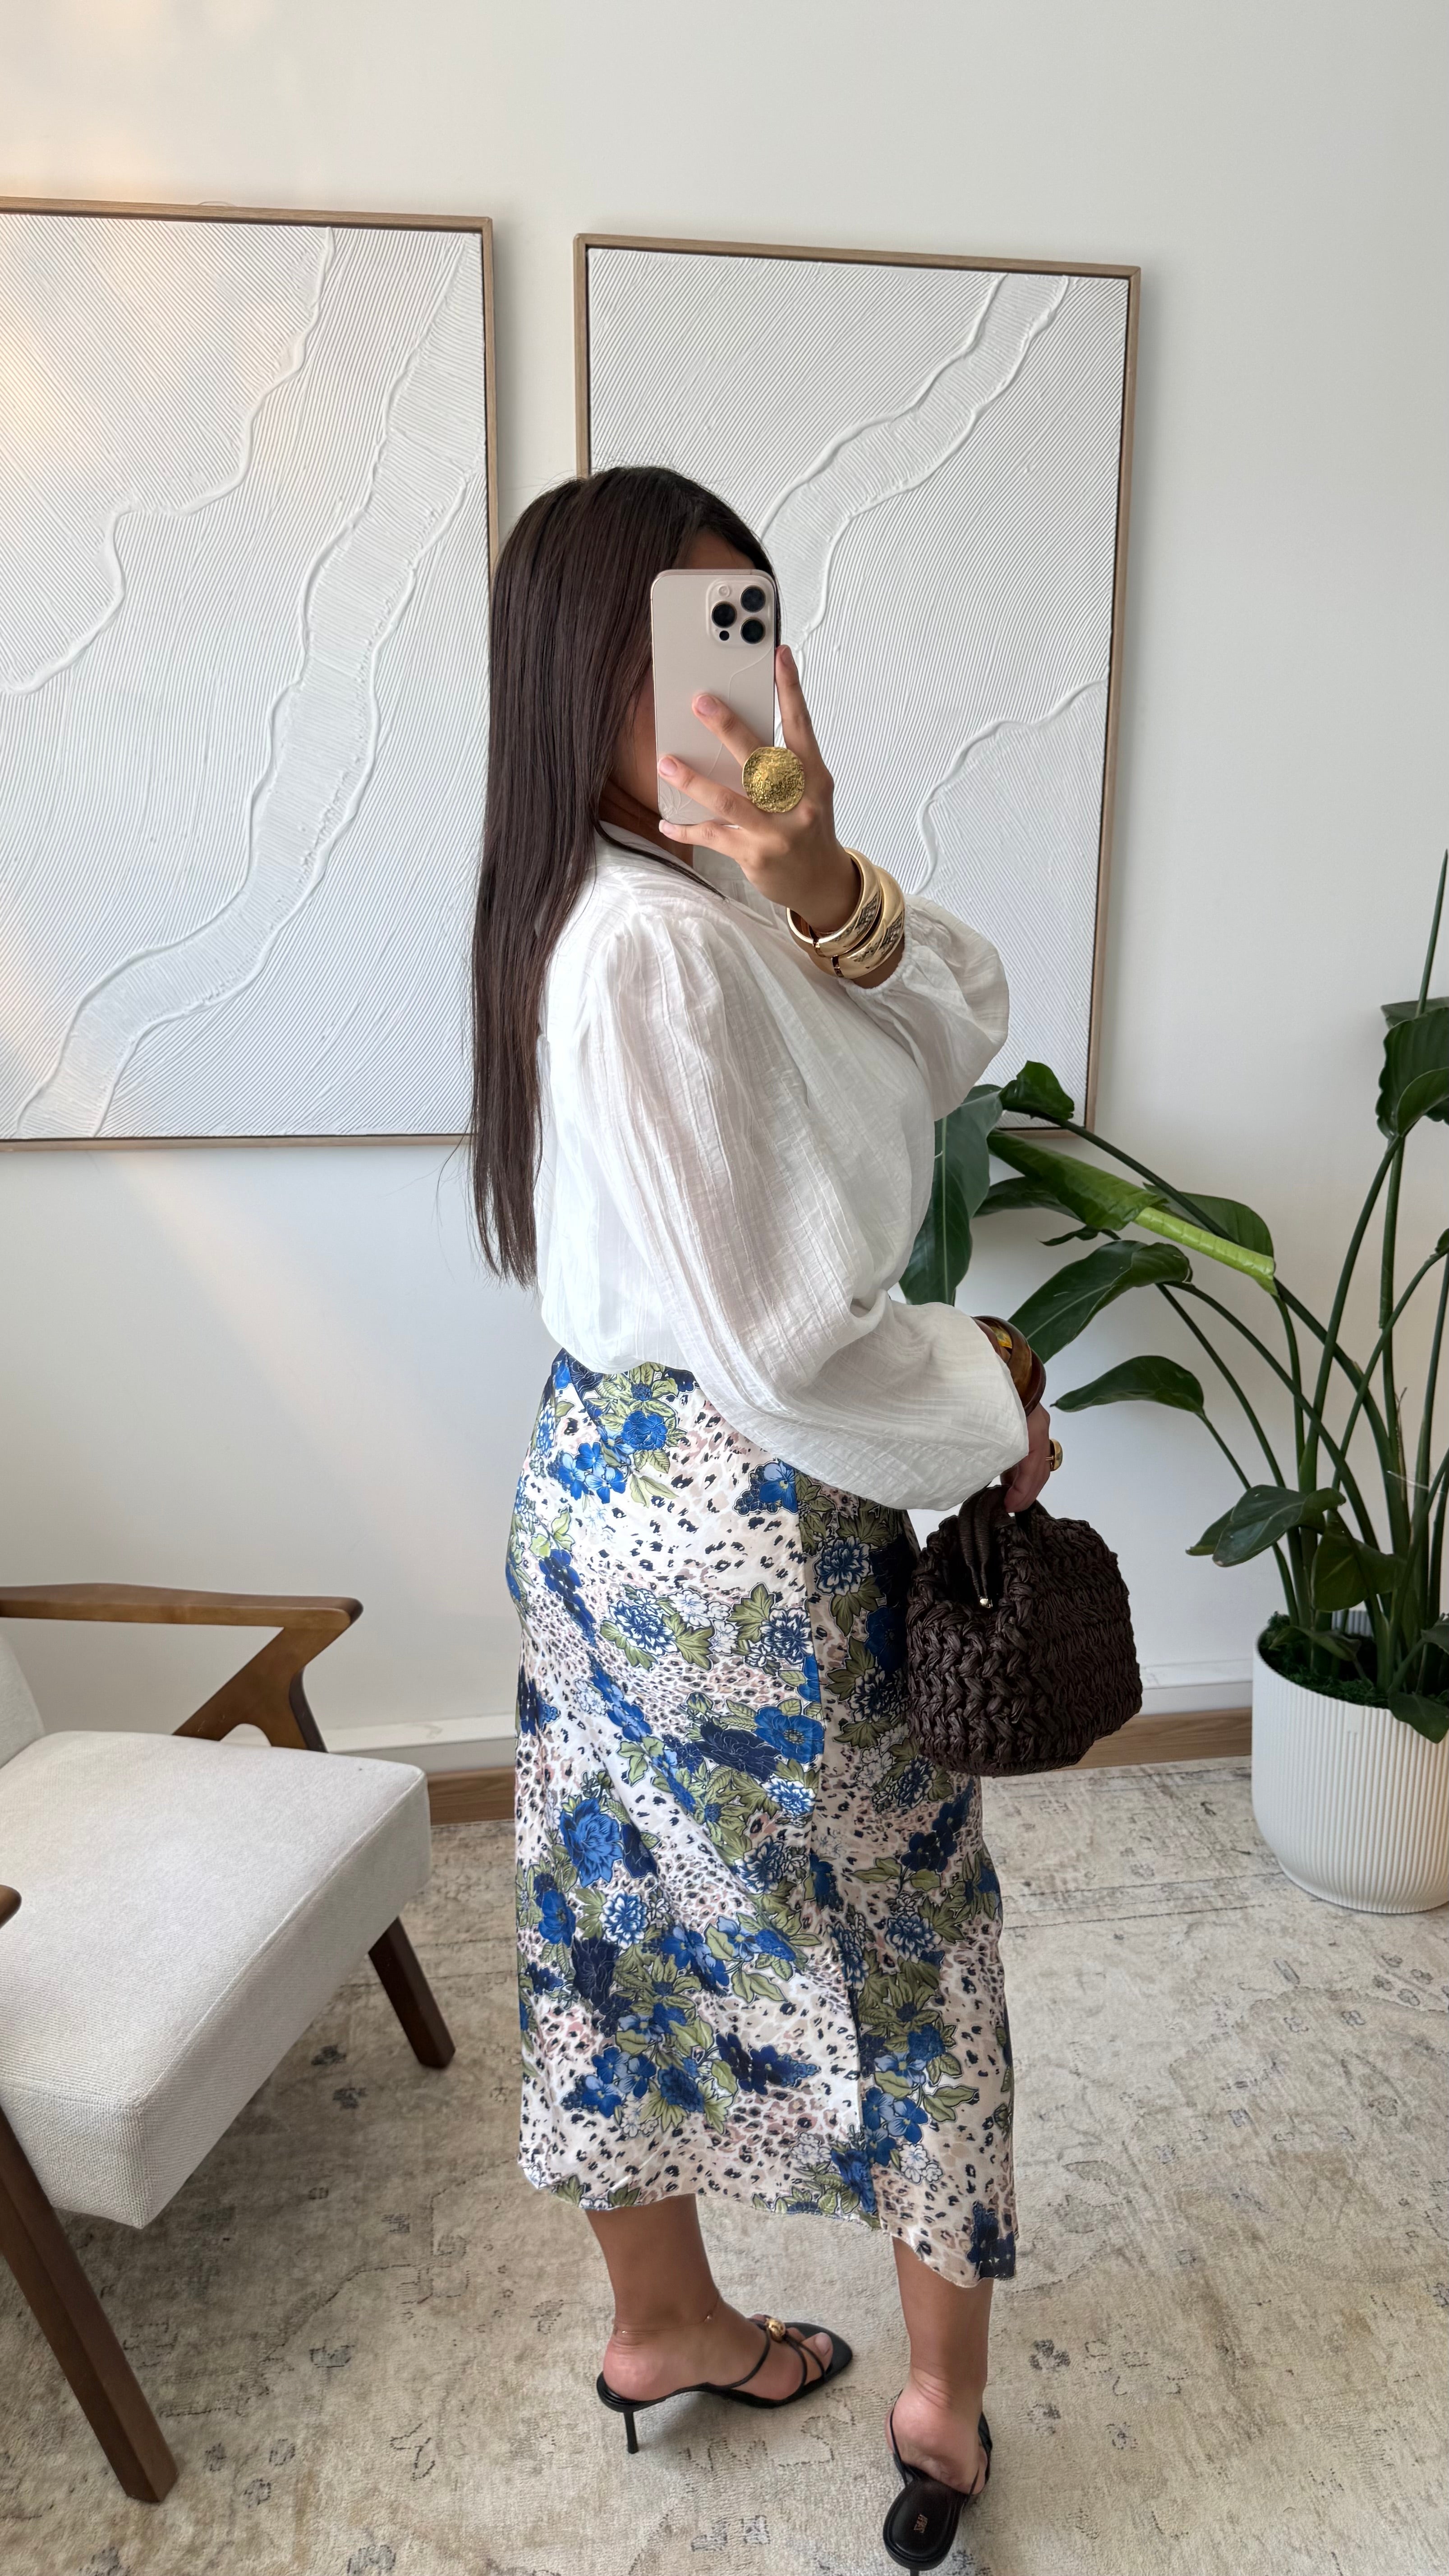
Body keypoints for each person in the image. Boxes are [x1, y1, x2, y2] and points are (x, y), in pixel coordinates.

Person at [469, 465, 1054, 2562]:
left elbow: (961, 1019)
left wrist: (819, 876)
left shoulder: (681, 900)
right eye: (688, 647)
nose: (743, 687)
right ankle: (939, 2403)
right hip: (752, 1515)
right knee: (909, 1936)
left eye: (756, 627)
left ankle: (669, 2331)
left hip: (611, 1496)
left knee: (614, 1922)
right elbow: (789, 1342)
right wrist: (986, 1395)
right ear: (579, 683)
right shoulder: (648, 943)